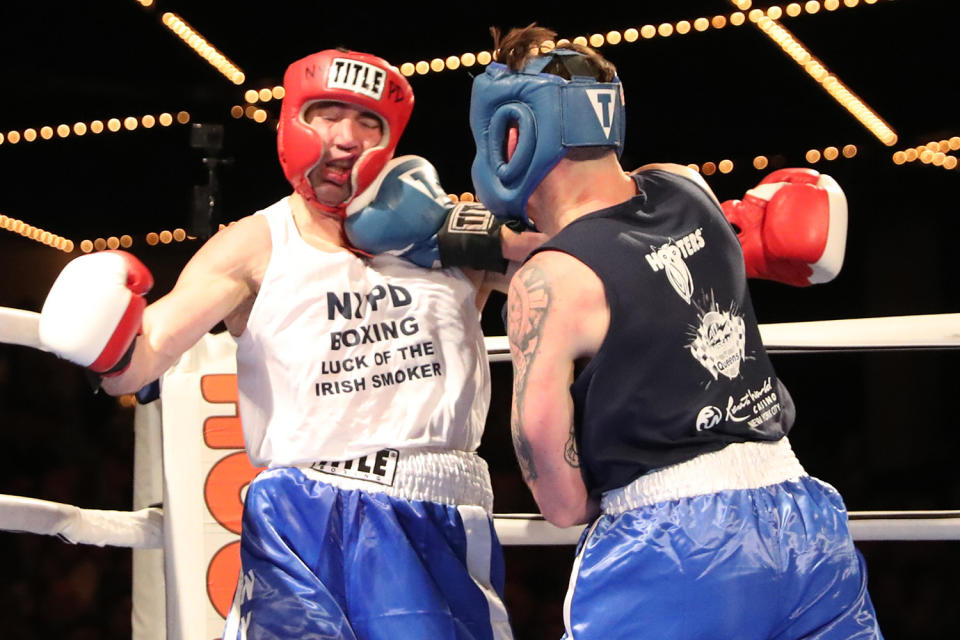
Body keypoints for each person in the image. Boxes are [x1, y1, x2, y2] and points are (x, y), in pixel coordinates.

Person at [36, 48, 531, 639]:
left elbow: (579, 272)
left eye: (368, 122)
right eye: (327, 114)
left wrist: (498, 227)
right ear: (292, 124)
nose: (346, 139)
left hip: (433, 507)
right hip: (302, 516)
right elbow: (137, 360)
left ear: (392, 138)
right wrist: (98, 334)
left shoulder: (455, 228)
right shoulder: (254, 245)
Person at [468, 25, 882, 639]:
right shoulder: (686, 183)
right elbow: (629, 255)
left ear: (514, 132)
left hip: (676, 547)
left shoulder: (547, 284)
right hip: (804, 518)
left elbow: (557, 497)